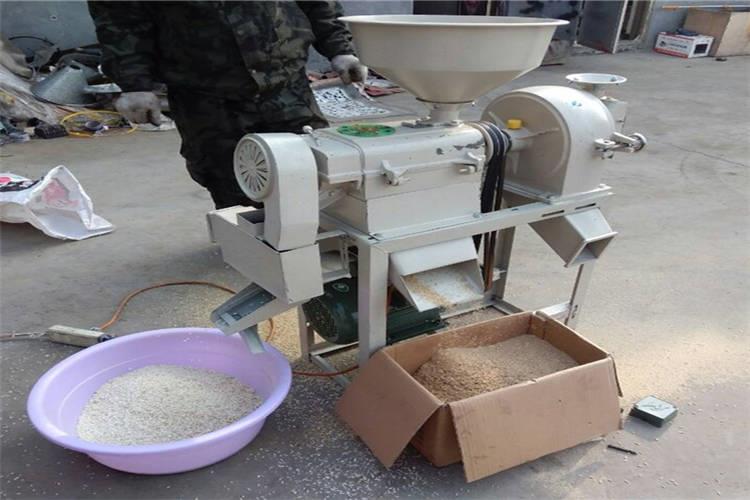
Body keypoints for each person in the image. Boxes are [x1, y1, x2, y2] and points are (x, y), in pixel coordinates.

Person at [88, 1, 366, 208]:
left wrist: (340, 49)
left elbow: (319, 3)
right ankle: (251, 250)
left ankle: (317, 243)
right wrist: (134, 83)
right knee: (230, 181)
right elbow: (120, 18)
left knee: (312, 168)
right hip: (206, 95)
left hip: (285, 83)